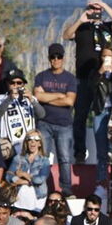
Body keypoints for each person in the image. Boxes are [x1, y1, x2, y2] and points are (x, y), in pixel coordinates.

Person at [63, 0, 112, 164]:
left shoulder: (106, 27)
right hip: (83, 79)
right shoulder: (81, 27)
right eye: (91, 7)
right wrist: (80, 19)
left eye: (97, 8)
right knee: (80, 117)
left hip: (104, 80)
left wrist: (104, 4)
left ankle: (109, 152)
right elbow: (66, 35)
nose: (95, 11)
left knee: (107, 115)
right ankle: (80, 153)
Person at [34, 43, 78, 196]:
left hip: (64, 124)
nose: (56, 59)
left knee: (64, 158)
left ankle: (66, 188)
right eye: (53, 57)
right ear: (49, 58)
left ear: (63, 58)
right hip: (44, 122)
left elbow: (69, 101)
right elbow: (37, 97)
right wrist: (59, 95)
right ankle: (42, 188)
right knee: (43, 158)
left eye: (59, 56)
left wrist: (47, 98)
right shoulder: (41, 76)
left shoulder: (70, 79)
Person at [88, 47, 112, 182]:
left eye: (110, 56)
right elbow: (90, 87)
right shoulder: (95, 71)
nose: (107, 59)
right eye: (104, 56)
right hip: (100, 112)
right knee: (102, 151)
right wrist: (100, 72)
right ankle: (101, 182)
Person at [0, 68, 44, 156]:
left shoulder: (30, 98)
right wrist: (10, 98)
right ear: (7, 84)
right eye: (12, 83)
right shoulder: (1, 98)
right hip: (10, 144)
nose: (16, 86)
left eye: (19, 83)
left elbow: (42, 115)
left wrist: (32, 100)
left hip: (29, 142)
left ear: (23, 84)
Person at [4, 128, 50, 212]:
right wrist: (17, 180)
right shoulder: (18, 158)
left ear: (40, 143)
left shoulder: (44, 160)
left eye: (36, 139)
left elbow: (40, 179)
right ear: (26, 142)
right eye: (30, 139)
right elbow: (8, 176)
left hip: (37, 201)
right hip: (17, 201)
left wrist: (22, 175)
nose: (33, 142)